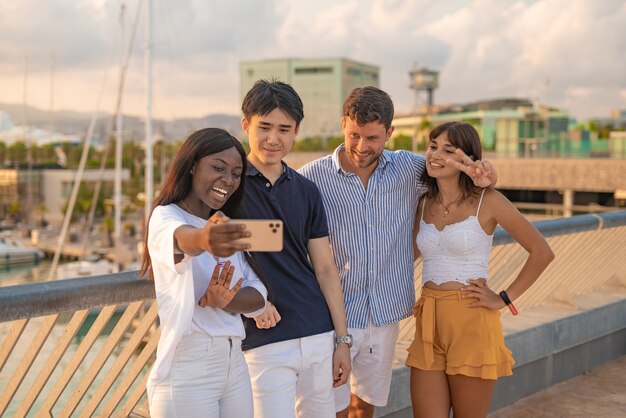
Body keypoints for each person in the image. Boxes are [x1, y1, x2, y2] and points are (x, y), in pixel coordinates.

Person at [298, 87, 497, 418]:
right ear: (342, 125)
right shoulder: (312, 177)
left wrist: (491, 175)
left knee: (365, 405)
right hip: (332, 314)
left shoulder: (409, 169)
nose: (362, 147)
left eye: (373, 138)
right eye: (354, 135)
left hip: (385, 313)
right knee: (331, 407)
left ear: (389, 133)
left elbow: (454, 168)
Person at [407, 121, 555, 418]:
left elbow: (542, 252)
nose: (436, 155)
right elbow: (405, 257)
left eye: (448, 150)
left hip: (471, 320)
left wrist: (503, 297)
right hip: (428, 321)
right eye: (433, 146)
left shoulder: (489, 202)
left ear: (467, 159)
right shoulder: (422, 202)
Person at [238, 79, 351, 418]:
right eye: (265, 127)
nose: (274, 139)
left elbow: (326, 268)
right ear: (246, 125)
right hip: (263, 338)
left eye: (284, 129)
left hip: (317, 329)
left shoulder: (306, 189)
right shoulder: (229, 186)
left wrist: (342, 341)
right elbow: (211, 253)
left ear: (296, 132)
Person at [140, 128, 268, 418]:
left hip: (235, 362)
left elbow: (258, 295)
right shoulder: (166, 216)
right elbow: (185, 239)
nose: (228, 180)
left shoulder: (226, 223)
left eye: (236, 173)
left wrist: (227, 300)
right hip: (189, 368)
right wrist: (206, 239)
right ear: (193, 164)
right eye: (218, 168)